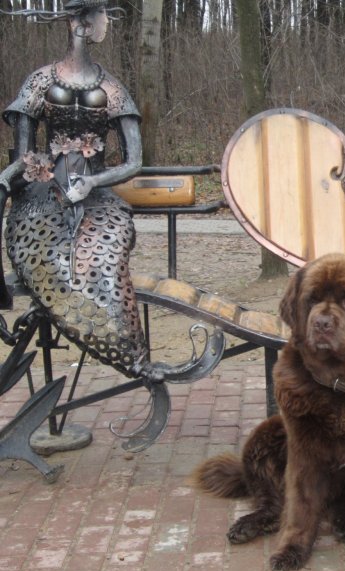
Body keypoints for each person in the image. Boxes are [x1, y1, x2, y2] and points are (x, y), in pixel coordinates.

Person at [0, 0, 221, 448]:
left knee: (103, 261)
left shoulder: (113, 90)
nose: (106, 23)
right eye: (100, 16)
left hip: (97, 197)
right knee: (48, 260)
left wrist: (93, 180)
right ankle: (121, 358)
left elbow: (133, 160)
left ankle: (136, 359)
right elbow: (24, 156)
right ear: (80, 22)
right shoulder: (40, 82)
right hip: (42, 198)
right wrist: (17, 179)